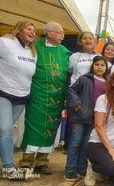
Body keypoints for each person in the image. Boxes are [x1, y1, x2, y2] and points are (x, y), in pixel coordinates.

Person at [19, 21, 70, 174]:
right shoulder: (35, 46)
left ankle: (42, 162)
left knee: (51, 129)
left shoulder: (65, 51)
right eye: (60, 32)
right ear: (49, 33)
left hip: (57, 98)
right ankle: (26, 162)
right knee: (34, 127)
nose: (63, 36)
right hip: (38, 96)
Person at [0, 21, 37, 180]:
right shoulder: (6, 43)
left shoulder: (32, 52)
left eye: (34, 30)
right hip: (3, 92)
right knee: (5, 130)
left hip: (22, 96)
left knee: (3, 132)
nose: (33, 32)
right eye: (29, 29)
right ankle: (9, 168)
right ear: (19, 30)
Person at [64, 56, 108, 181]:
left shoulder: (107, 82)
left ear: (106, 68)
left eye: (102, 65)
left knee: (85, 144)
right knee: (75, 143)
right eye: (97, 64)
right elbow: (71, 90)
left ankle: (81, 168)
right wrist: (77, 105)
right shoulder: (85, 78)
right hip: (80, 116)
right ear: (92, 66)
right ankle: (70, 170)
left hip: (95, 118)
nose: (99, 67)